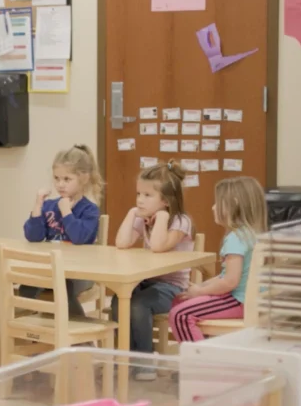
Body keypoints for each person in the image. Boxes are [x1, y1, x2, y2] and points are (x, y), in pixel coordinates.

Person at [114, 160, 194, 380]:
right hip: (148, 281)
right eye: (139, 194)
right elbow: (122, 242)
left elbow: (159, 246)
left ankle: (145, 360)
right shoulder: (144, 218)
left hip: (173, 287)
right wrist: (132, 214)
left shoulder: (180, 221)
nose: (140, 200)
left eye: (148, 195)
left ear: (166, 201)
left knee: (139, 304)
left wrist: (163, 217)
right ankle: (123, 357)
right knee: (118, 300)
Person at [169, 177, 267, 342]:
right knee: (181, 300)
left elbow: (229, 282)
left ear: (233, 206)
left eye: (217, 203)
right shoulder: (251, 234)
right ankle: (205, 347)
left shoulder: (236, 238)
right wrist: (202, 286)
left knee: (180, 314)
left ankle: (200, 363)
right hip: (250, 299)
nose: (213, 207)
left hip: (239, 301)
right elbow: (227, 275)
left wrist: (200, 291)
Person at [22, 144, 103, 317]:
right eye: (57, 178)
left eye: (67, 179)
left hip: (80, 273)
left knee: (64, 286)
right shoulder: (50, 205)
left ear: (84, 178)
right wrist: (38, 206)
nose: (60, 184)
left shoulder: (90, 210)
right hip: (51, 269)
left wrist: (67, 213)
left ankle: (80, 337)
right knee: (26, 285)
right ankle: (28, 330)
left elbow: (79, 238)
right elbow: (33, 236)